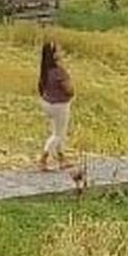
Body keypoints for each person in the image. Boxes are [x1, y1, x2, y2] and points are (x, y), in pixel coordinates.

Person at [37, 40, 75, 171]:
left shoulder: (46, 70)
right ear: (54, 55)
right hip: (60, 105)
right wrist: (69, 78)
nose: (62, 52)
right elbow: (69, 90)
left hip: (47, 103)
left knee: (56, 130)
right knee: (58, 135)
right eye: (59, 50)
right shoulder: (59, 72)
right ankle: (43, 158)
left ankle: (62, 158)